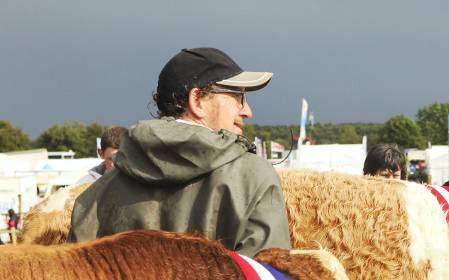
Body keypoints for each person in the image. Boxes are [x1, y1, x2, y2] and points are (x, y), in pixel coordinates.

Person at [69, 47, 290, 256]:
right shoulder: (254, 178)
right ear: (197, 101)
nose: (247, 111)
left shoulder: (95, 196)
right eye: (238, 96)